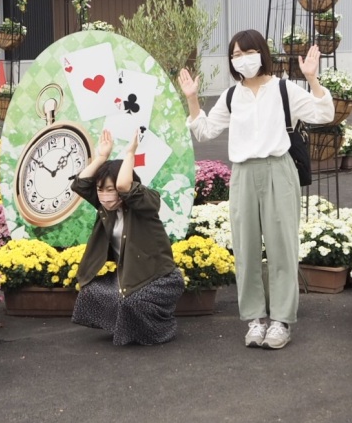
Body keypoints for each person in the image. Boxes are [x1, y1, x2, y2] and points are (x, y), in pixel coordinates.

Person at [178, 29, 334, 349]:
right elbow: (205, 131)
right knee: (246, 249)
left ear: (261, 53)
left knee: (282, 248)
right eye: (235, 55)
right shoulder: (232, 95)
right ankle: (254, 319)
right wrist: (193, 99)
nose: (241, 59)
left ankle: (280, 321)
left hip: (279, 170)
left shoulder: (283, 89)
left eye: (247, 53)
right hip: (244, 174)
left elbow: (324, 113)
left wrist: (312, 79)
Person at [70, 128, 185, 345]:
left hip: (159, 278)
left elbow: (124, 185)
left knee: (132, 302)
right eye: (100, 190)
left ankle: (162, 328)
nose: (104, 196)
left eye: (110, 190)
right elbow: (80, 184)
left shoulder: (146, 203)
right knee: (91, 293)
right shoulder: (106, 208)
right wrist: (102, 157)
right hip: (129, 276)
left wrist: (130, 152)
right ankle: (128, 327)